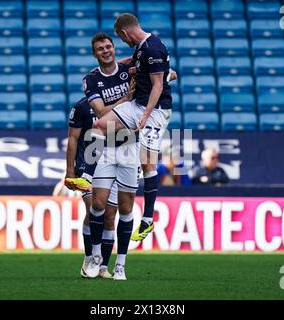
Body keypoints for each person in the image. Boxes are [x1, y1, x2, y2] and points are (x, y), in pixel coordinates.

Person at [53, 32, 136, 279]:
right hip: (91, 160)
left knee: (111, 215)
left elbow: (148, 63)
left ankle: (103, 266)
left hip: (122, 150)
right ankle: (91, 257)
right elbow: (73, 139)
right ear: (95, 54)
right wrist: (70, 173)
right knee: (95, 208)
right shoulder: (82, 105)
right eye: (100, 48)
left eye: (109, 46)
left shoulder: (126, 70)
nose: (106, 50)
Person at [92, 13, 173, 242]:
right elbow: (138, 66)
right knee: (99, 125)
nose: (122, 42)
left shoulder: (153, 48)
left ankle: (147, 220)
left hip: (155, 110)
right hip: (137, 104)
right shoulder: (140, 49)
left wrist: (146, 114)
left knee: (147, 163)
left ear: (124, 33)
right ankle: (88, 172)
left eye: (120, 38)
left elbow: (158, 85)